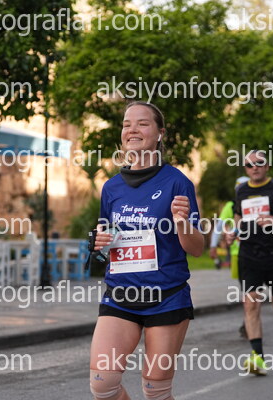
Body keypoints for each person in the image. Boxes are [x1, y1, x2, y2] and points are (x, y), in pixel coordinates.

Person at [89, 101, 204, 400]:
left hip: (166, 297)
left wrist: (182, 223)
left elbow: (197, 248)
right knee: (102, 384)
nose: (132, 130)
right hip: (120, 295)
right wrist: (98, 244)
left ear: (160, 133)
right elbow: (104, 245)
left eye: (142, 123)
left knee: (155, 391)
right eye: (127, 124)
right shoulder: (111, 188)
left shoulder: (178, 183)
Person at [226, 149, 273, 375]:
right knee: (250, 304)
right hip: (249, 254)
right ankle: (258, 356)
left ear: (267, 166)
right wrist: (233, 232)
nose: (255, 167)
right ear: (245, 169)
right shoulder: (241, 190)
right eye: (250, 165)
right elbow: (239, 216)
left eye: (259, 163)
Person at [210, 176, 250, 338]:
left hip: (259, 252)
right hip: (238, 254)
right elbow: (219, 226)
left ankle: (249, 320)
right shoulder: (231, 206)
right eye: (238, 188)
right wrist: (213, 245)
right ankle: (248, 321)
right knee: (247, 289)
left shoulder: (258, 203)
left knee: (251, 290)